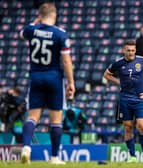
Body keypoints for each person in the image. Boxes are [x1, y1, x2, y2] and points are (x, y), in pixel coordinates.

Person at [19, 3, 75, 164]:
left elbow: (21, 34)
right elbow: (66, 60)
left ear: (39, 15)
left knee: (33, 117)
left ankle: (26, 148)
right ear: (54, 15)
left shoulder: (31, 30)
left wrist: (34, 22)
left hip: (36, 76)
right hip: (54, 78)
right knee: (56, 120)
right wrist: (71, 82)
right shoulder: (60, 34)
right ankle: (55, 157)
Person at [104, 39, 143, 163]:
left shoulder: (142, 61)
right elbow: (106, 74)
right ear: (124, 50)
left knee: (142, 126)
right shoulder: (118, 63)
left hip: (139, 99)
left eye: (133, 50)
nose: (130, 53)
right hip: (124, 99)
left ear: (135, 50)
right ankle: (132, 156)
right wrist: (118, 82)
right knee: (128, 127)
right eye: (128, 50)